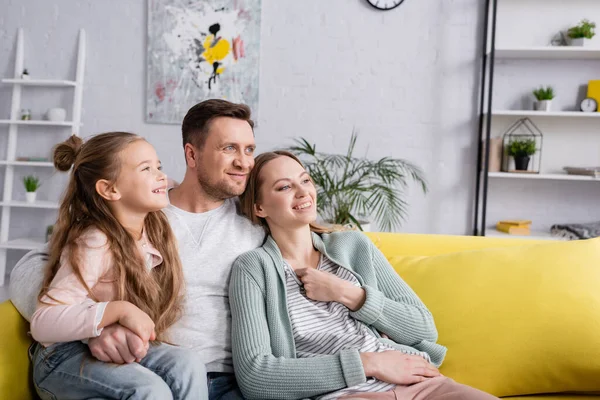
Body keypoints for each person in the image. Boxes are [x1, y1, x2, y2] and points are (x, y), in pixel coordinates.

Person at [10, 100, 265, 400]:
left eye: (249, 149)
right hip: (135, 364)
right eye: (229, 148)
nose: (245, 162)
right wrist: (97, 325)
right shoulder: (140, 209)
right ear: (192, 154)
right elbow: (38, 268)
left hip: (226, 380)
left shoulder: (257, 220)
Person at [229, 150, 499, 400]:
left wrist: (348, 294)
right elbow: (256, 376)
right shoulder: (254, 269)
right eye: (285, 187)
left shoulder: (352, 245)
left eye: (306, 180)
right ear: (259, 208)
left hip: (422, 385)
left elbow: (424, 327)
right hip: (349, 395)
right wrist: (371, 363)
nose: (303, 192)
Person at [29, 132, 208, 400]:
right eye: (146, 169)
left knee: (188, 364)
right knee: (149, 390)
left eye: (158, 166)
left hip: (111, 346)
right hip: (60, 356)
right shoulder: (95, 241)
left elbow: (173, 186)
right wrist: (118, 310)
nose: (161, 175)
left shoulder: (152, 228)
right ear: (110, 189)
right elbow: (42, 323)